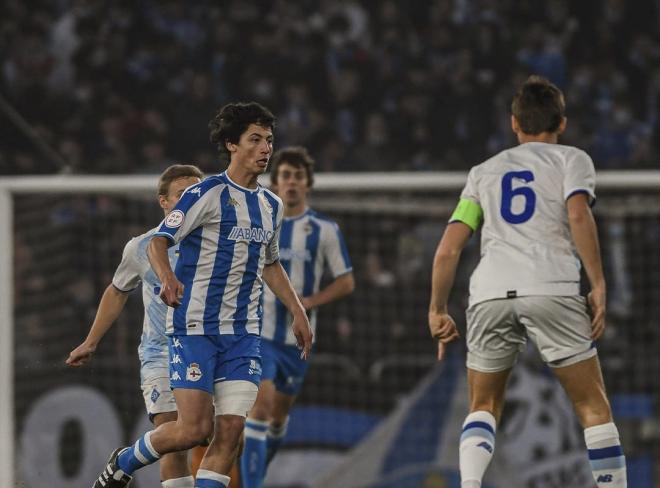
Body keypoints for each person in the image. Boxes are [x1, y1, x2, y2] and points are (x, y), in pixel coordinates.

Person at [92, 101, 313, 488]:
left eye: (269, 140)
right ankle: (124, 460)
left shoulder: (271, 205)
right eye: (256, 139)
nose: (266, 149)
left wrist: (297, 311)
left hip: (243, 335)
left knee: (230, 435)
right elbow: (159, 242)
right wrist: (167, 279)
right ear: (232, 144)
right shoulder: (206, 192)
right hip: (196, 329)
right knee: (193, 430)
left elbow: (270, 263)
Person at [428, 75, 627, 488]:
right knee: (592, 406)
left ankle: (468, 485)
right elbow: (577, 215)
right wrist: (599, 283)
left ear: (514, 124)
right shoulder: (572, 159)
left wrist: (436, 308)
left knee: (483, 405)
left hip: (489, 293)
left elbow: (448, 250)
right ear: (562, 123)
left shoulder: (483, 172)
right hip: (551, 286)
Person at [67, 163, 203, 488]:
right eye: (183, 195)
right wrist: (91, 341)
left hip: (206, 350)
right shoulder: (142, 247)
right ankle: (122, 462)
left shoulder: (217, 244)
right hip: (160, 354)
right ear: (164, 202)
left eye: (196, 195)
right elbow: (117, 291)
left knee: (209, 434)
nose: (191, 202)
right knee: (175, 439)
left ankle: (124, 460)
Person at [240, 146, 355, 487]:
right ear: (274, 183)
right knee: (259, 410)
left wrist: (310, 302)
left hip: (297, 341)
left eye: (298, 177)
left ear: (308, 184)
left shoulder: (324, 229)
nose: (291, 182)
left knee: (277, 419)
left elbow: (347, 281)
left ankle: (256, 468)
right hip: (258, 335)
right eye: (285, 176)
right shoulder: (256, 223)